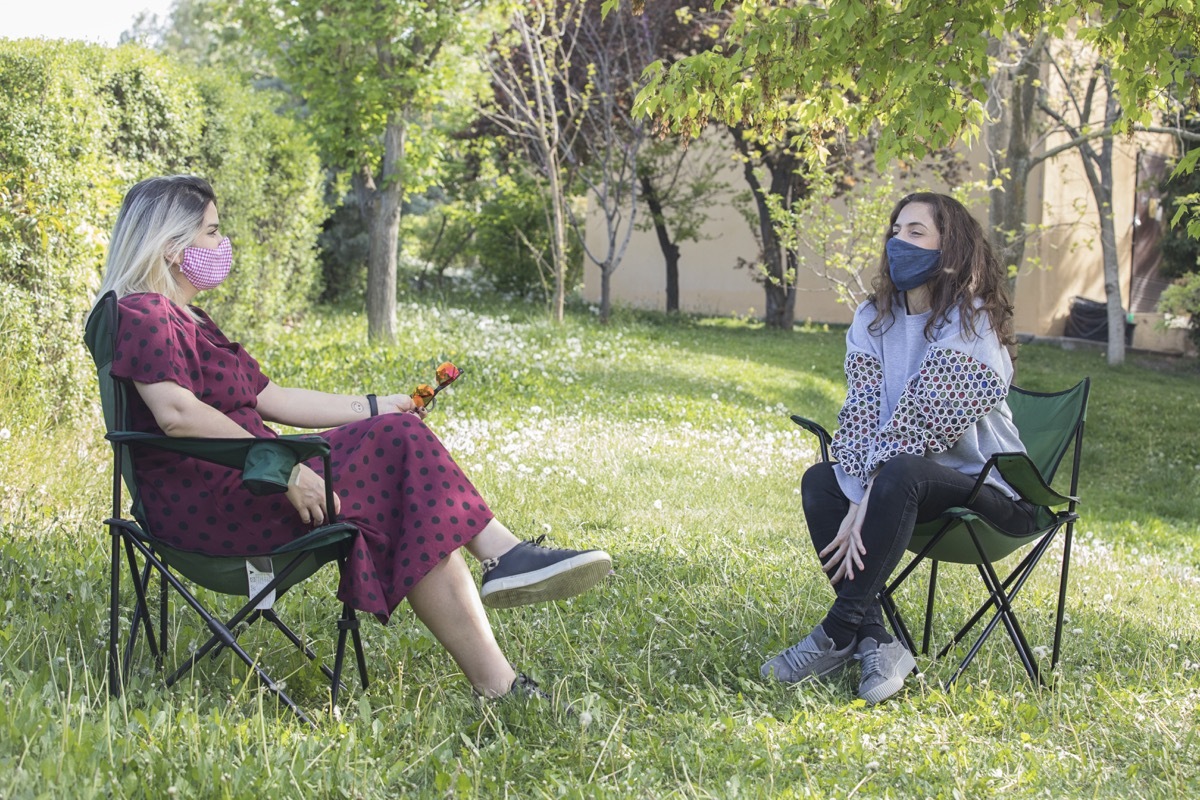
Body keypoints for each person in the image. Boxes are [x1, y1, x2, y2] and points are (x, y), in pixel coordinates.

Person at [93, 175, 613, 702]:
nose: (222, 245)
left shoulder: (190, 319)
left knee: (411, 487)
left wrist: (374, 406)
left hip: (253, 481)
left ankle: (500, 675)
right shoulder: (144, 313)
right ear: (172, 245)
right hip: (222, 503)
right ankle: (505, 561)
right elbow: (176, 413)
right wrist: (287, 469)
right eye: (211, 231)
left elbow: (273, 397)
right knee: (401, 452)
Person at [761, 192, 1039, 704]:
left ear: (950, 251)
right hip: (901, 488)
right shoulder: (872, 319)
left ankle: (837, 631)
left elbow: (924, 423)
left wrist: (863, 500)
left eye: (917, 233)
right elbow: (862, 414)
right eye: (896, 230)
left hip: (990, 491)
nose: (899, 242)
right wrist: (855, 490)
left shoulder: (971, 325)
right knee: (821, 480)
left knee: (902, 470)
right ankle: (876, 641)